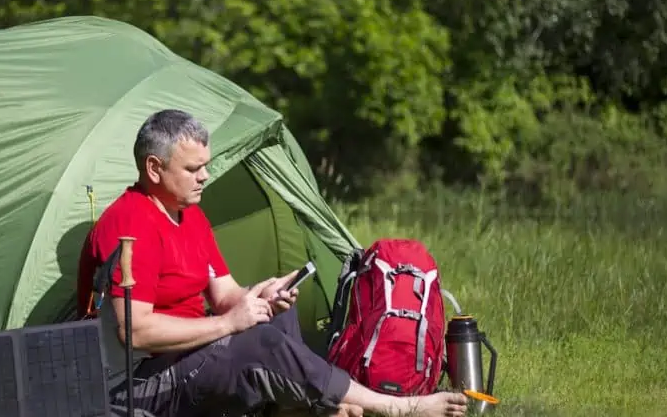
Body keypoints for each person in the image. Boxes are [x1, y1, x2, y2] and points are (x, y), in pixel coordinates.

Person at [76, 109, 468, 417]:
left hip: (183, 360)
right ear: (154, 169)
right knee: (255, 339)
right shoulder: (131, 223)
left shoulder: (188, 214)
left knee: (272, 317)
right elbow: (135, 331)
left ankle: (301, 406)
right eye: (193, 169)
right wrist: (229, 323)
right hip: (137, 383)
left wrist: (260, 295)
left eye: (206, 164)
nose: (206, 176)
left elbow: (225, 294)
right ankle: (395, 406)